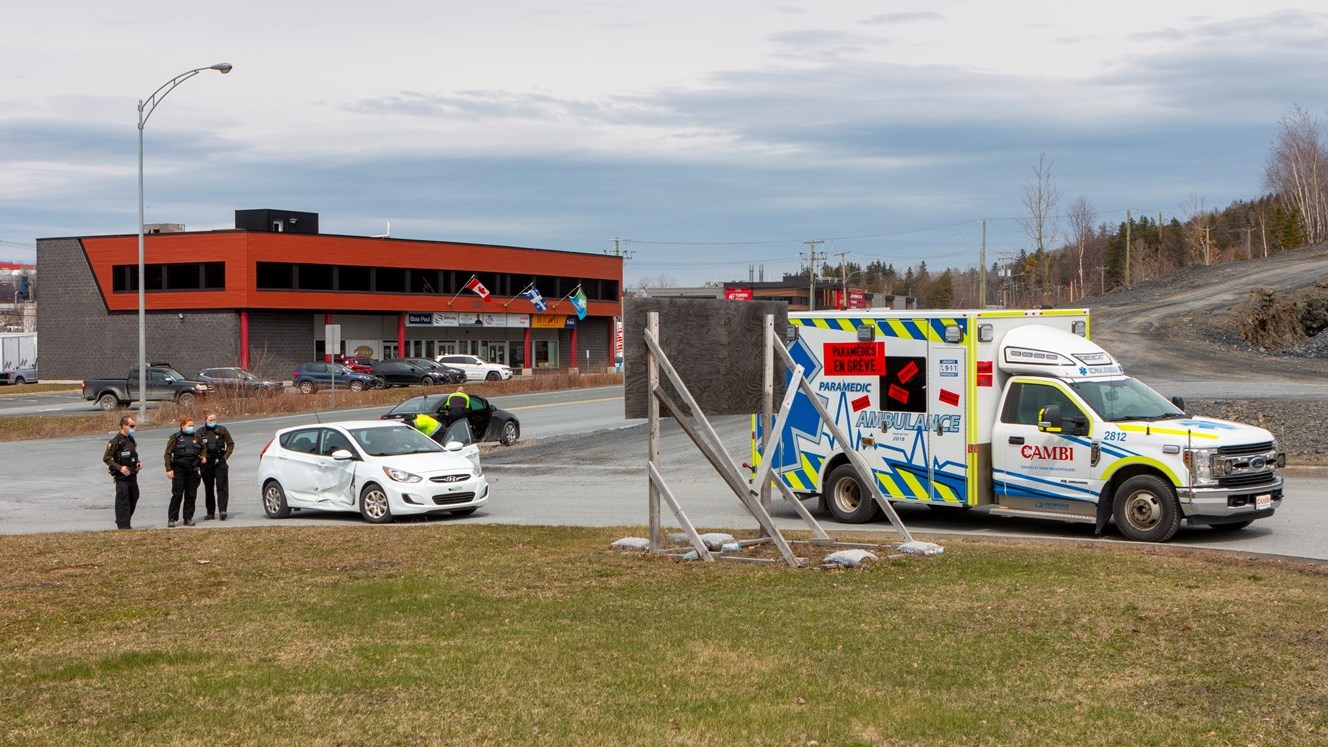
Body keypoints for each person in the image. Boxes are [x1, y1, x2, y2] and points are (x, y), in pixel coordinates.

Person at [164, 416, 207, 528]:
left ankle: (188, 518)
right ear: (183, 426)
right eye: (189, 425)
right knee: (177, 494)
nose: (191, 428)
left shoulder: (196, 437)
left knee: (191, 495)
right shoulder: (175, 438)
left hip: (193, 468)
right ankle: (172, 518)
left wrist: (203, 456)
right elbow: (167, 454)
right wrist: (169, 469)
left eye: (192, 425)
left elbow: (203, 448)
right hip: (179, 469)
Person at [102, 415, 143, 530]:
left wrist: (138, 462)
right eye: (131, 426)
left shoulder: (131, 439)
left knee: (134, 496)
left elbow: (133, 455)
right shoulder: (115, 441)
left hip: (132, 474)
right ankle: (123, 525)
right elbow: (107, 458)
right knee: (123, 500)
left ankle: (123, 519)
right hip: (122, 477)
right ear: (124, 426)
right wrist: (120, 468)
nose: (133, 428)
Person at [200, 411, 235, 521]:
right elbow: (197, 447)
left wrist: (225, 457)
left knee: (222, 487)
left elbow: (230, 444)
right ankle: (210, 512)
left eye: (214, 419)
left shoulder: (222, 430)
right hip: (207, 462)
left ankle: (222, 510)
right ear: (205, 420)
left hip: (220, 461)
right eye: (210, 420)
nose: (213, 422)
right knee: (209, 488)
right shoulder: (200, 432)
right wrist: (202, 457)